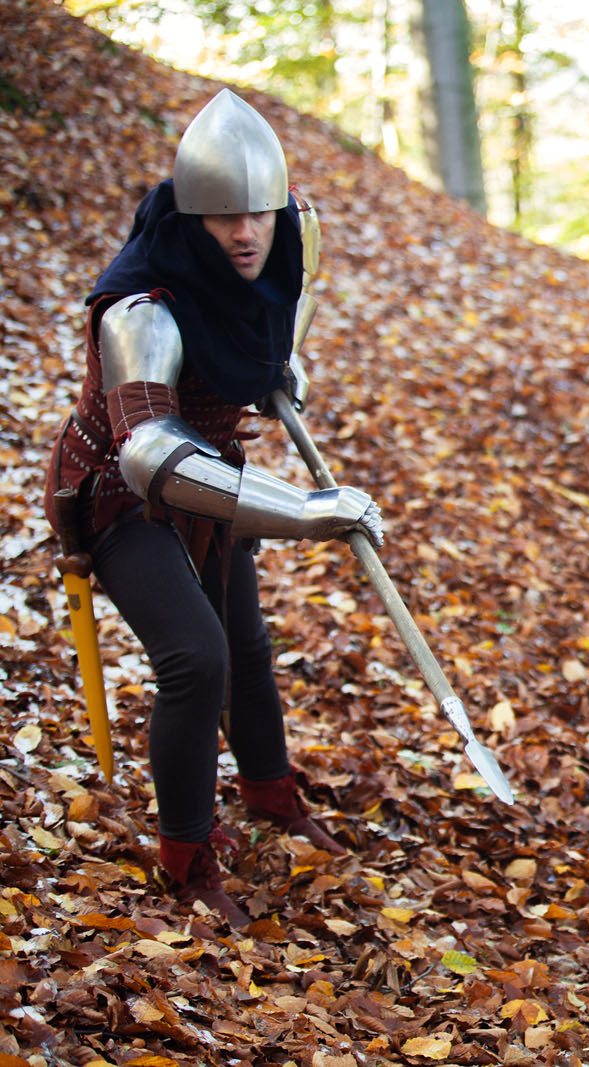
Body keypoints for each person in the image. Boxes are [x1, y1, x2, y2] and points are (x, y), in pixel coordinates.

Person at [44, 89, 384, 928]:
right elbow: (152, 453)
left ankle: (271, 794)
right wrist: (306, 511)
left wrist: (276, 373)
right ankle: (186, 854)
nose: (246, 234)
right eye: (225, 218)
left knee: (244, 640)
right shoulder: (142, 309)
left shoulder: (283, 239)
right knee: (197, 658)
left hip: (212, 475)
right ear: (193, 217)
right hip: (123, 495)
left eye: (258, 215)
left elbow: (273, 325)